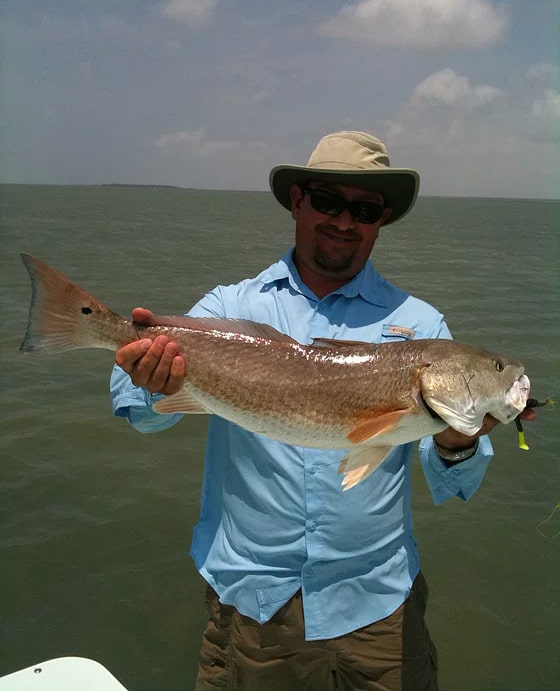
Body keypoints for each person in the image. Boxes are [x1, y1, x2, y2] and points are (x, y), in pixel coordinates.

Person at [110, 131, 534, 691]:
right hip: (256, 606)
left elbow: (448, 481)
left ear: (380, 221)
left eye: (364, 210)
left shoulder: (423, 326)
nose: (344, 221)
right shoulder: (231, 306)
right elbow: (134, 408)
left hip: (379, 606)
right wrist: (148, 381)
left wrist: (459, 441)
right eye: (328, 202)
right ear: (297, 202)